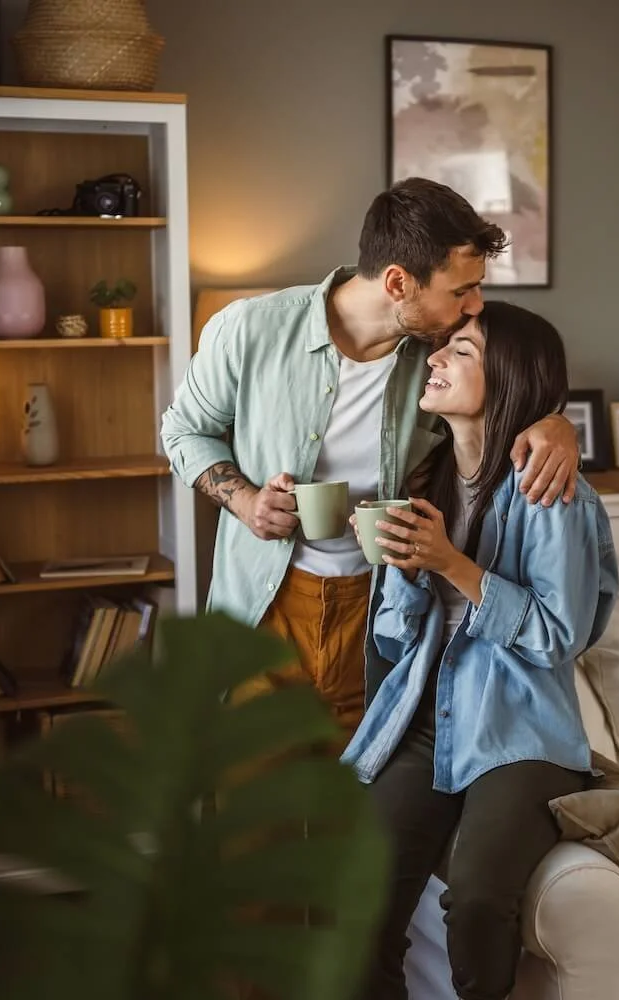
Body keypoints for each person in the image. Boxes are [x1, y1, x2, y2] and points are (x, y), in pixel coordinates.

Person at [160, 178, 581, 742]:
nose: (474, 305)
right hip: (264, 605)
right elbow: (184, 430)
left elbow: (511, 380)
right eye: (462, 290)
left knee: (358, 807)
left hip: (382, 610)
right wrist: (244, 500)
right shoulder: (249, 329)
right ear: (398, 282)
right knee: (253, 809)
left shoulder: (436, 356)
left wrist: (556, 421)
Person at [342, 301, 619, 1000]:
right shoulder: (427, 480)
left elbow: (560, 636)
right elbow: (398, 637)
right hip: (427, 721)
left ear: (509, 378)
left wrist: (451, 564)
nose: (435, 361)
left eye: (460, 352)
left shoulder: (551, 494)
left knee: (477, 903)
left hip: (519, 733)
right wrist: (403, 571)